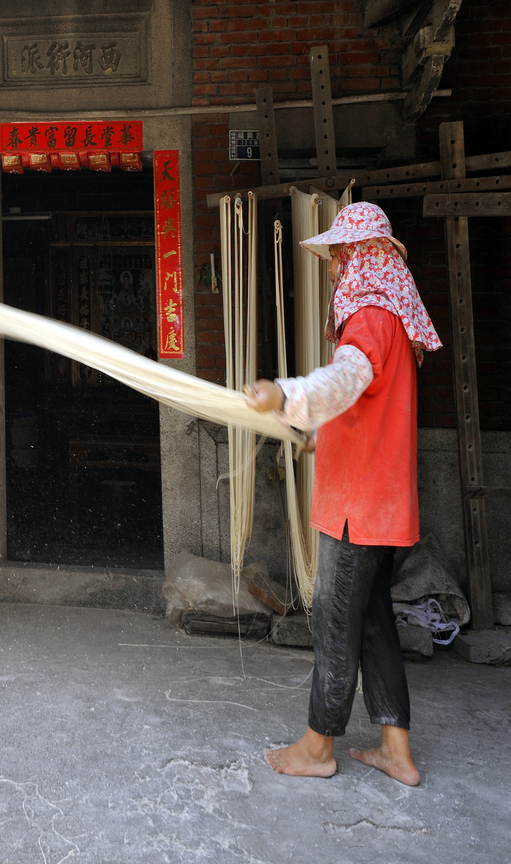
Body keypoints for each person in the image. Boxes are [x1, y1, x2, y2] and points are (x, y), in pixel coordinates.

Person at [244, 202, 442, 786]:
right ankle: (397, 750)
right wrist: (317, 432)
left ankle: (317, 747)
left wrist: (283, 395)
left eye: (339, 256)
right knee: (374, 620)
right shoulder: (392, 319)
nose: (335, 268)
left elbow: (345, 378)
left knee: (334, 621)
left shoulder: (372, 317)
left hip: (358, 505)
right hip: (382, 502)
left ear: (363, 256)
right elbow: (365, 403)